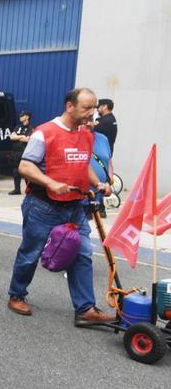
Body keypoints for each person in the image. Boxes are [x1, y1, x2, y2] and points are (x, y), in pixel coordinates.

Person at [7, 87, 115, 326]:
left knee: (82, 254)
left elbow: (83, 165)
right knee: (30, 254)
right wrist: (50, 183)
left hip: (76, 207)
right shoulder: (44, 132)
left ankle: (85, 309)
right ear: (70, 106)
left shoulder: (87, 135)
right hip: (43, 206)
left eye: (94, 108)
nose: (92, 113)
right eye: (87, 107)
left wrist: (99, 183)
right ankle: (16, 294)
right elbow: (26, 167)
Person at [8, 111, 33, 195]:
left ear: (27, 117)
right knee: (15, 171)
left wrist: (17, 137)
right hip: (15, 153)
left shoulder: (31, 128)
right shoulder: (18, 127)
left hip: (24, 152)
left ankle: (29, 190)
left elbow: (27, 139)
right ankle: (17, 189)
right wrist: (22, 136)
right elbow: (11, 137)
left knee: (26, 172)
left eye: (22, 116)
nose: (20, 117)